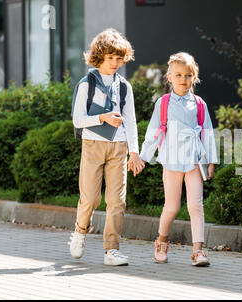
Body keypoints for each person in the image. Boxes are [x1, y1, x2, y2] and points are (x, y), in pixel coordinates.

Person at [69, 28, 145, 266]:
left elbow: (130, 120)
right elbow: (77, 120)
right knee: (90, 199)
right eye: (110, 57)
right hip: (93, 145)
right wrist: (102, 118)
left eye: (118, 58)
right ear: (99, 56)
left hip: (119, 147)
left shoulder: (124, 87)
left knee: (117, 201)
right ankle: (80, 231)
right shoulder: (86, 84)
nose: (115, 63)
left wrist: (134, 151)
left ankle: (111, 250)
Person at [140, 52, 218, 267]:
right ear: (170, 77)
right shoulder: (163, 103)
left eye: (188, 75)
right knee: (172, 207)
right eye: (179, 75)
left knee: (196, 206)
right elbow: (154, 132)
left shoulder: (200, 104)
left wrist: (210, 160)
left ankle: (198, 251)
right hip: (172, 161)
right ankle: (162, 242)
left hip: (194, 160)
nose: (184, 80)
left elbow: (207, 132)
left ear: (195, 77)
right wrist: (142, 157)